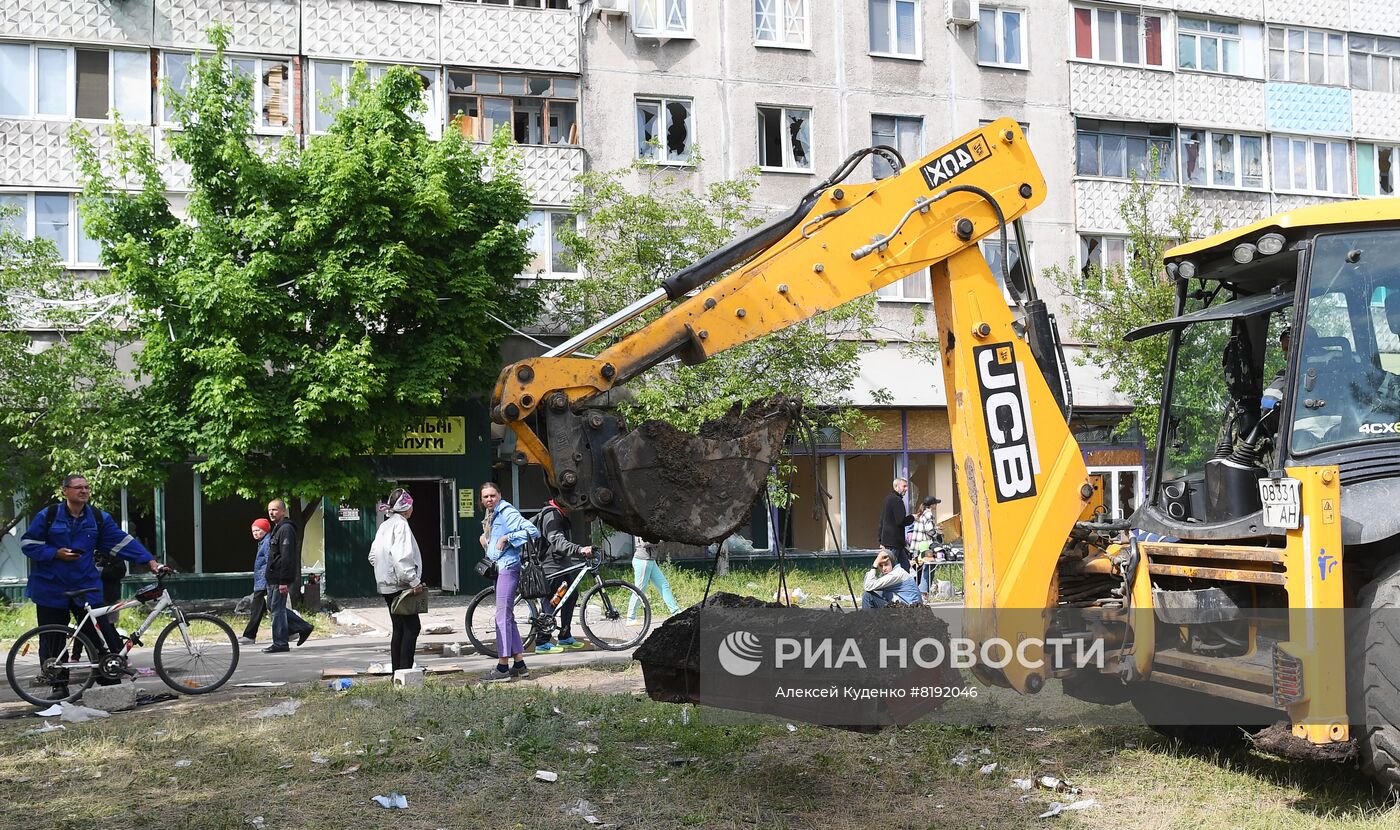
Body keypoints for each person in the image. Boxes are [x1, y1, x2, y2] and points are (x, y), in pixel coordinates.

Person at [19, 474, 161, 693]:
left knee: (100, 634)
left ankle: (108, 680)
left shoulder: (97, 517)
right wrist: (55, 553)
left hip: (86, 586)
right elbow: (28, 543)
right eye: (78, 488)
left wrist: (149, 560)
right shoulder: (48, 515)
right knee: (53, 640)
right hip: (50, 587)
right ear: (65, 491)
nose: (84, 491)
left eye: (87, 487)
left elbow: (122, 541)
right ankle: (58, 687)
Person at [479, 482, 539, 681]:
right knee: (508, 617)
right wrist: (486, 541)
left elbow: (533, 531)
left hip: (508, 567)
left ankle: (502, 667)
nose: (489, 499)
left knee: (502, 617)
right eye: (485, 496)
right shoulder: (492, 514)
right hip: (499, 568)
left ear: (499, 494)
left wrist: (507, 537)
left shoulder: (506, 511)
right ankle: (520, 665)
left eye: (492, 495)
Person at [369, 487, 424, 673]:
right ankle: (405, 671)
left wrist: (382, 571)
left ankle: (397, 673)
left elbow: (372, 556)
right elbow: (402, 557)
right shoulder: (401, 525)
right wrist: (414, 581)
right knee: (412, 627)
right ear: (407, 507)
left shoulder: (384, 525)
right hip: (401, 585)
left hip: (386, 585)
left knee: (398, 628)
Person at [533, 499, 593, 654]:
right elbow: (558, 542)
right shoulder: (552, 516)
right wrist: (580, 550)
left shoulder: (559, 514)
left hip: (562, 564)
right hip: (552, 567)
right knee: (552, 602)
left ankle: (565, 635)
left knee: (571, 595)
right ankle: (542, 642)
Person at [263, 498, 314, 653]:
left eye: (275, 509)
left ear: (283, 511)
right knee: (273, 607)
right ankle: (303, 627)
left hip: (280, 577)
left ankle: (280, 643)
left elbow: (287, 556)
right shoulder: (277, 528)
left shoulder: (286, 529)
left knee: (277, 609)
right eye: (270, 510)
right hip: (273, 577)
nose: (271, 513)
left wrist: (284, 581)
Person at [628, 536, 681, 624]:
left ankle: (676, 612)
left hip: (651, 561)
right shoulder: (639, 527)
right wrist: (660, 540)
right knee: (640, 589)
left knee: (664, 585)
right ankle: (630, 618)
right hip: (643, 561)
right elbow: (644, 543)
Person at [240, 518, 272, 645]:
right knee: (272, 607)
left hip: (264, 581)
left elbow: (270, 561)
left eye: (258, 530)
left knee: (257, 608)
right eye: (253, 531)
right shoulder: (262, 542)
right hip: (261, 581)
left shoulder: (267, 542)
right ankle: (293, 629)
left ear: (265, 530)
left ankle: (249, 635)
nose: (255, 533)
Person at [907, 496, 941, 598]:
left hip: (916, 547)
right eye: (935, 503)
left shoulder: (921, 513)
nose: (936, 505)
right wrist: (938, 534)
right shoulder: (928, 514)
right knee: (929, 567)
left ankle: (916, 592)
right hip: (925, 547)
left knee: (919, 570)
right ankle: (923, 592)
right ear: (932, 505)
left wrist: (935, 527)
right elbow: (929, 530)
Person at [878, 478, 914, 571]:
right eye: (904, 486)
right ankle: (882, 585)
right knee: (889, 569)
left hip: (893, 542)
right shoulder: (897, 500)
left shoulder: (888, 499)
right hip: (893, 542)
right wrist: (913, 518)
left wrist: (881, 540)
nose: (906, 489)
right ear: (896, 487)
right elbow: (901, 521)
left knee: (905, 567)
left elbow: (882, 521)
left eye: (907, 486)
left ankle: (904, 585)